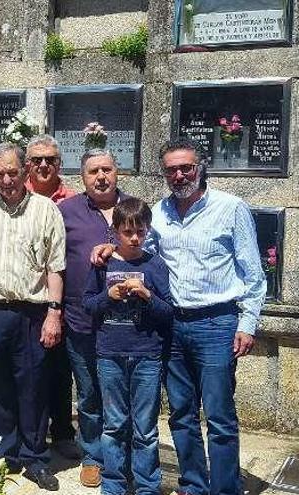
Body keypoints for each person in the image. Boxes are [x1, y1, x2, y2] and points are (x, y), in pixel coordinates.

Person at [91, 138, 266, 495]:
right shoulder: (160, 212)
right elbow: (141, 249)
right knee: (182, 415)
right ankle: (194, 484)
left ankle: (225, 488)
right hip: (171, 325)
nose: (179, 174)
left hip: (216, 323)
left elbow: (253, 273)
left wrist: (247, 324)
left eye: (186, 167)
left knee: (218, 416)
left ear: (200, 167)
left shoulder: (230, 208)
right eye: (171, 169)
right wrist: (112, 248)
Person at [0, 142, 66, 491]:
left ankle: (35, 458)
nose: (7, 179)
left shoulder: (46, 210)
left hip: (31, 314)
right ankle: (3, 453)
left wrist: (54, 313)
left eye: (13, 172)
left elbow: (55, 268)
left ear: (25, 172)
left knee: (33, 388)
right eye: (0, 173)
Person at [83, 197, 173, 495]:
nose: (134, 238)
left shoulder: (155, 264)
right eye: (127, 232)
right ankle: (114, 484)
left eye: (140, 232)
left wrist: (147, 295)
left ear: (148, 230)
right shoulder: (102, 264)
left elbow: (167, 313)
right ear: (115, 232)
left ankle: (147, 486)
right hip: (110, 353)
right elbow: (88, 306)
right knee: (114, 425)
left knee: (145, 429)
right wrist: (109, 295)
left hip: (146, 355)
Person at [57, 149, 127, 487]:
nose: (101, 177)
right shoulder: (66, 211)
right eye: (93, 171)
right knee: (88, 394)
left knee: (122, 393)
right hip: (81, 320)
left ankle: (122, 455)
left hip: (128, 324)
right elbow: (53, 262)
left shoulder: (136, 209)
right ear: (82, 178)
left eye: (107, 169)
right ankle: (93, 455)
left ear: (118, 172)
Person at [24, 134, 79, 461]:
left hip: (64, 299)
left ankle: (61, 432)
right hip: (26, 299)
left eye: (51, 160)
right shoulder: (16, 197)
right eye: (37, 160)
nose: (44, 165)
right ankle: (30, 431)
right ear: (28, 164)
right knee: (28, 370)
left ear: (60, 164)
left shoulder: (72, 201)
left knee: (60, 370)